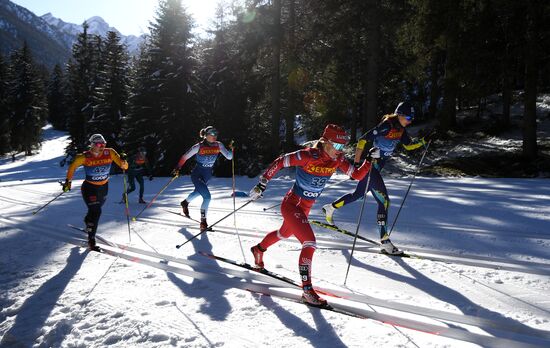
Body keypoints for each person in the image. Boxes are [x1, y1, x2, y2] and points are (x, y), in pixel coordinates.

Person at [248, 124, 375, 307]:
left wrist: (369, 160)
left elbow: (356, 175)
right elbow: (281, 161)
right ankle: (307, 290)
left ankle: (258, 249)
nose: (339, 150)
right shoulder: (308, 155)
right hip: (292, 205)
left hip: (305, 207)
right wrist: (262, 183)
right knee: (310, 242)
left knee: (284, 234)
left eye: (342, 147)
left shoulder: (337, 159)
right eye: (337, 146)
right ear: (324, 142)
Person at [322, 101, 429, 255]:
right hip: (370, 167)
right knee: (384, 201)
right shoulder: (387, 125)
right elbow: (363, 139)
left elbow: (409, 146)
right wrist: (357, 163)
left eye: (412, 118)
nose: (410, 120)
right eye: (408, 117)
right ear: (399, 114)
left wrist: (424, 141)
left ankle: (330, 208)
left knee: (358, 195)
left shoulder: (401, 130)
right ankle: (385, 242)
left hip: (375, 169)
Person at [62, 134, 128, 251]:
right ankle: (91, 240)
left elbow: (125, 167)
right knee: (96, 211)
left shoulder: (110, 152)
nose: (101, 146)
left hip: (103, 188)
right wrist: (68, 182)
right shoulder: (84, 157)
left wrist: (123, 160)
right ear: (92, 145)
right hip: (89, 188)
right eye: (98, 144)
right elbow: (72, 167)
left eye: (103, 144)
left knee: (94, 212)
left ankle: (88, 221)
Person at [172, 126, 233, 232]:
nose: (214, 136)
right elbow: (185, 157)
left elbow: (229, 157)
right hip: (197, 174)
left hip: (207, 174)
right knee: (207, 197)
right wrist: (177, 168)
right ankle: (203, 222)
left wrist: (232, 149)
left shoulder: (219, 145)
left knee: (198, 192)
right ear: (206, 135)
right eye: (212, 133)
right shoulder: (198, 146)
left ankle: (185, 203)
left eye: (216, 133)